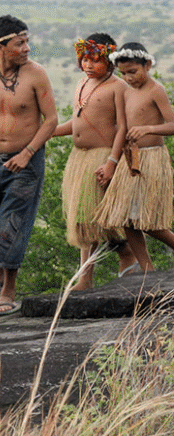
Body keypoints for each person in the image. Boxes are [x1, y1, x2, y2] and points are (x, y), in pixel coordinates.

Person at [0, 15, 57, 316]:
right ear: (0, 46)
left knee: (12, 226)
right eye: (20, 43)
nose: (27, 48)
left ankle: (8, 290)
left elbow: (52, 120)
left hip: (26, 161)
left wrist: (28, 152)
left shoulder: (36, 75)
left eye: (27, 41)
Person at [52, 34, 137, 290]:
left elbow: (122, 127)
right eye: (84, 59)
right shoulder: (82, 83)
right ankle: (86, 277)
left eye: (95, 60)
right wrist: (49, 131)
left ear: (110, 62)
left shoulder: (117, 87)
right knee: (83, 220)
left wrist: (112, 161)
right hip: (79, 158)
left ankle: (126, 255)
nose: (88, 65)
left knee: (101, 217)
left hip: (102, 155)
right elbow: (76, 123)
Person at [94, 42, 174, 271]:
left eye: (133, 72)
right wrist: (112, 161)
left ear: (147, 65)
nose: (128, 78)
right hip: (130, 159)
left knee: (146, 220)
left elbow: (172, 124)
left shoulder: (155, 90)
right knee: (125, 218)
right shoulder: (125, 91)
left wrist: (149, 129)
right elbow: (122, 128)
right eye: (123, 73)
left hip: (152, 158)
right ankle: (146, 268)